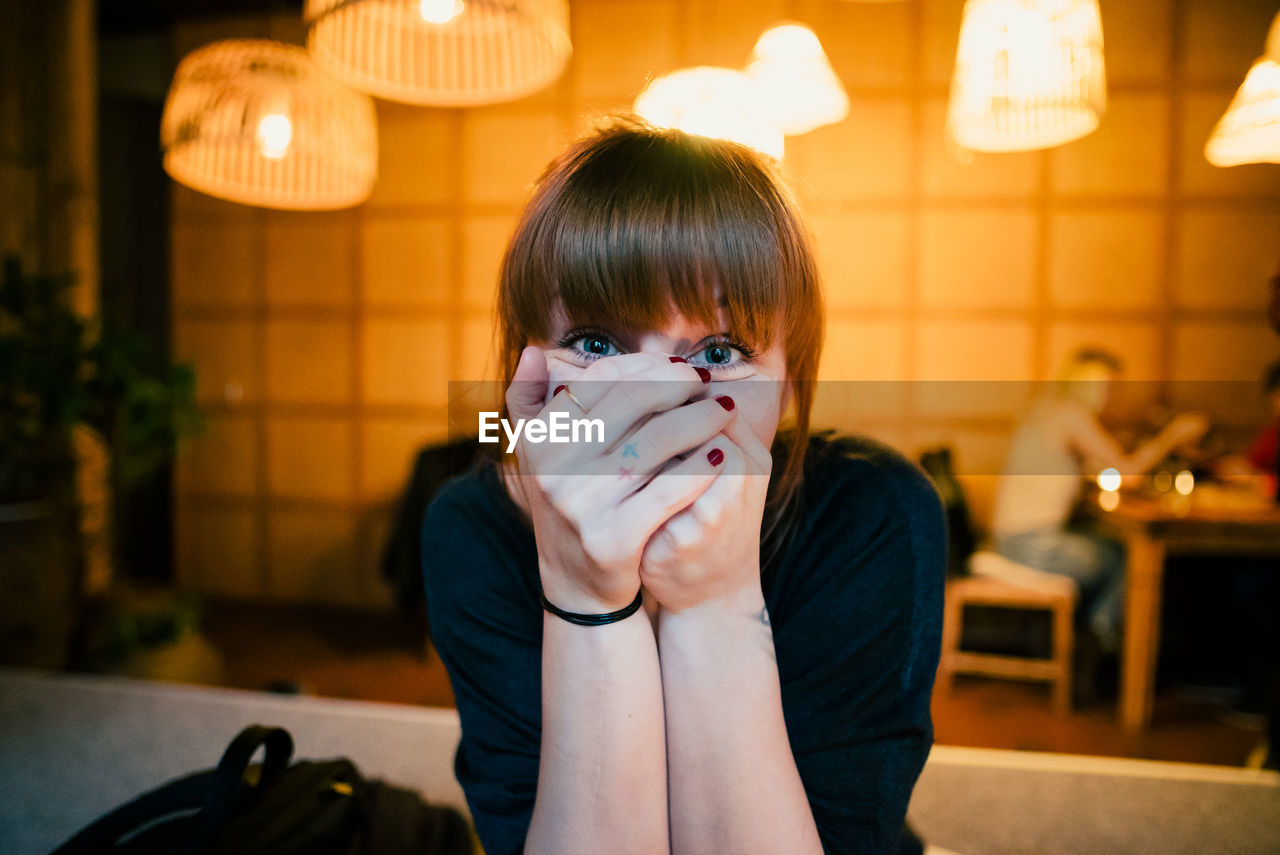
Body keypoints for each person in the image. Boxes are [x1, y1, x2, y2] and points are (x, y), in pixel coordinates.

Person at [421, 120, 946, 855]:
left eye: (721, 351)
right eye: (598, 343)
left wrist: (717, 602)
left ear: (789, 382)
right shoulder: (472, 530)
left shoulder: (869, 511)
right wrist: (582, 596)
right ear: (530, 375)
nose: (662, 396)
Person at [990, 348, 1208, 657]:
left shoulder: (1044, 409)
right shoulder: (1069, 413)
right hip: (1035, 546)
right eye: (1107, 386)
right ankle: (1099, 640)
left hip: (1011, 540)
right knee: (1127, 557)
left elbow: (1102, 469)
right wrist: (1171, 436)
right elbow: (1126, 472)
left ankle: (1087, 640)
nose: (1110, 396)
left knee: (1110, 549)